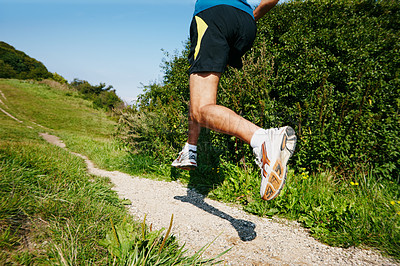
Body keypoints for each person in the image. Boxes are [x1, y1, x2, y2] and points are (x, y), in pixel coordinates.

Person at [172, 0, 297, 201]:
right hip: (246, 24)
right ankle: (190, 149)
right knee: (201, 98)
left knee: (201, 106)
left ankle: (262, 139)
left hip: (213, 15)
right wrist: (252, 17)